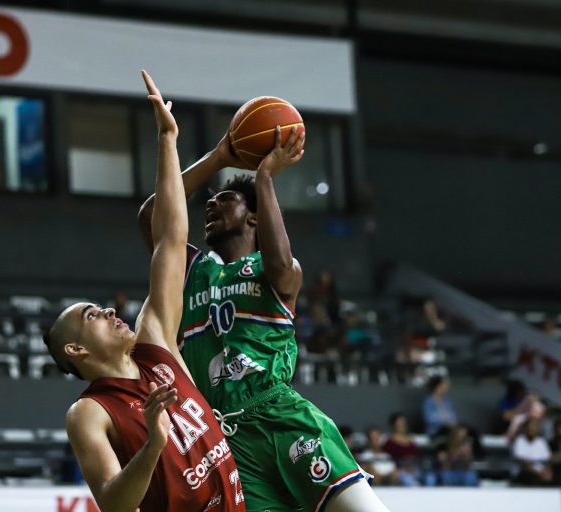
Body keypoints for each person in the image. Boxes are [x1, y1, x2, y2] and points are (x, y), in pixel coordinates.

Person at [138, 116, 387, 511]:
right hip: (226, 439)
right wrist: (218, 158)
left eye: (225, 199)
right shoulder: (193, 272)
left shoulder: (276, 271)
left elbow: (281, 260)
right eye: (211, 200)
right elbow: (152, 214)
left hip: (280, 417)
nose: (211, 204)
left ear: (254, 217)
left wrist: (265, 178)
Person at [45, 71, 245, 511]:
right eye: (92, 315)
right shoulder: (89, 412)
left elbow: (170, 239)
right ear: (76, 349)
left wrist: (168, 141)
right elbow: (113, 504)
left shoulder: (155, 344)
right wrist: (154, 443)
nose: (108, 312)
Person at [383, 413, 425, 486]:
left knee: (429, 477)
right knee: (410, 482)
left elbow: (417, 456)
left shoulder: (411, 440)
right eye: (399, 424)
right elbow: (387, 459)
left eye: (403, 424)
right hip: (400, 471)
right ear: (393, 425)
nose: (401, 426)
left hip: (415, 470)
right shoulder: (390, 442)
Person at [511, 417, 553, 486]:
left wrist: (548, 472)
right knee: (531, 477)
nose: (531, 430)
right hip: (525, 473)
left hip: (540, 473)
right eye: (529, 428)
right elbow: (522, 463)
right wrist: (538, 473)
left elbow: (547, 460)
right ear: (525, 429)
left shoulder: (541, 442)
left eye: (534, 427)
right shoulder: (519, 441)